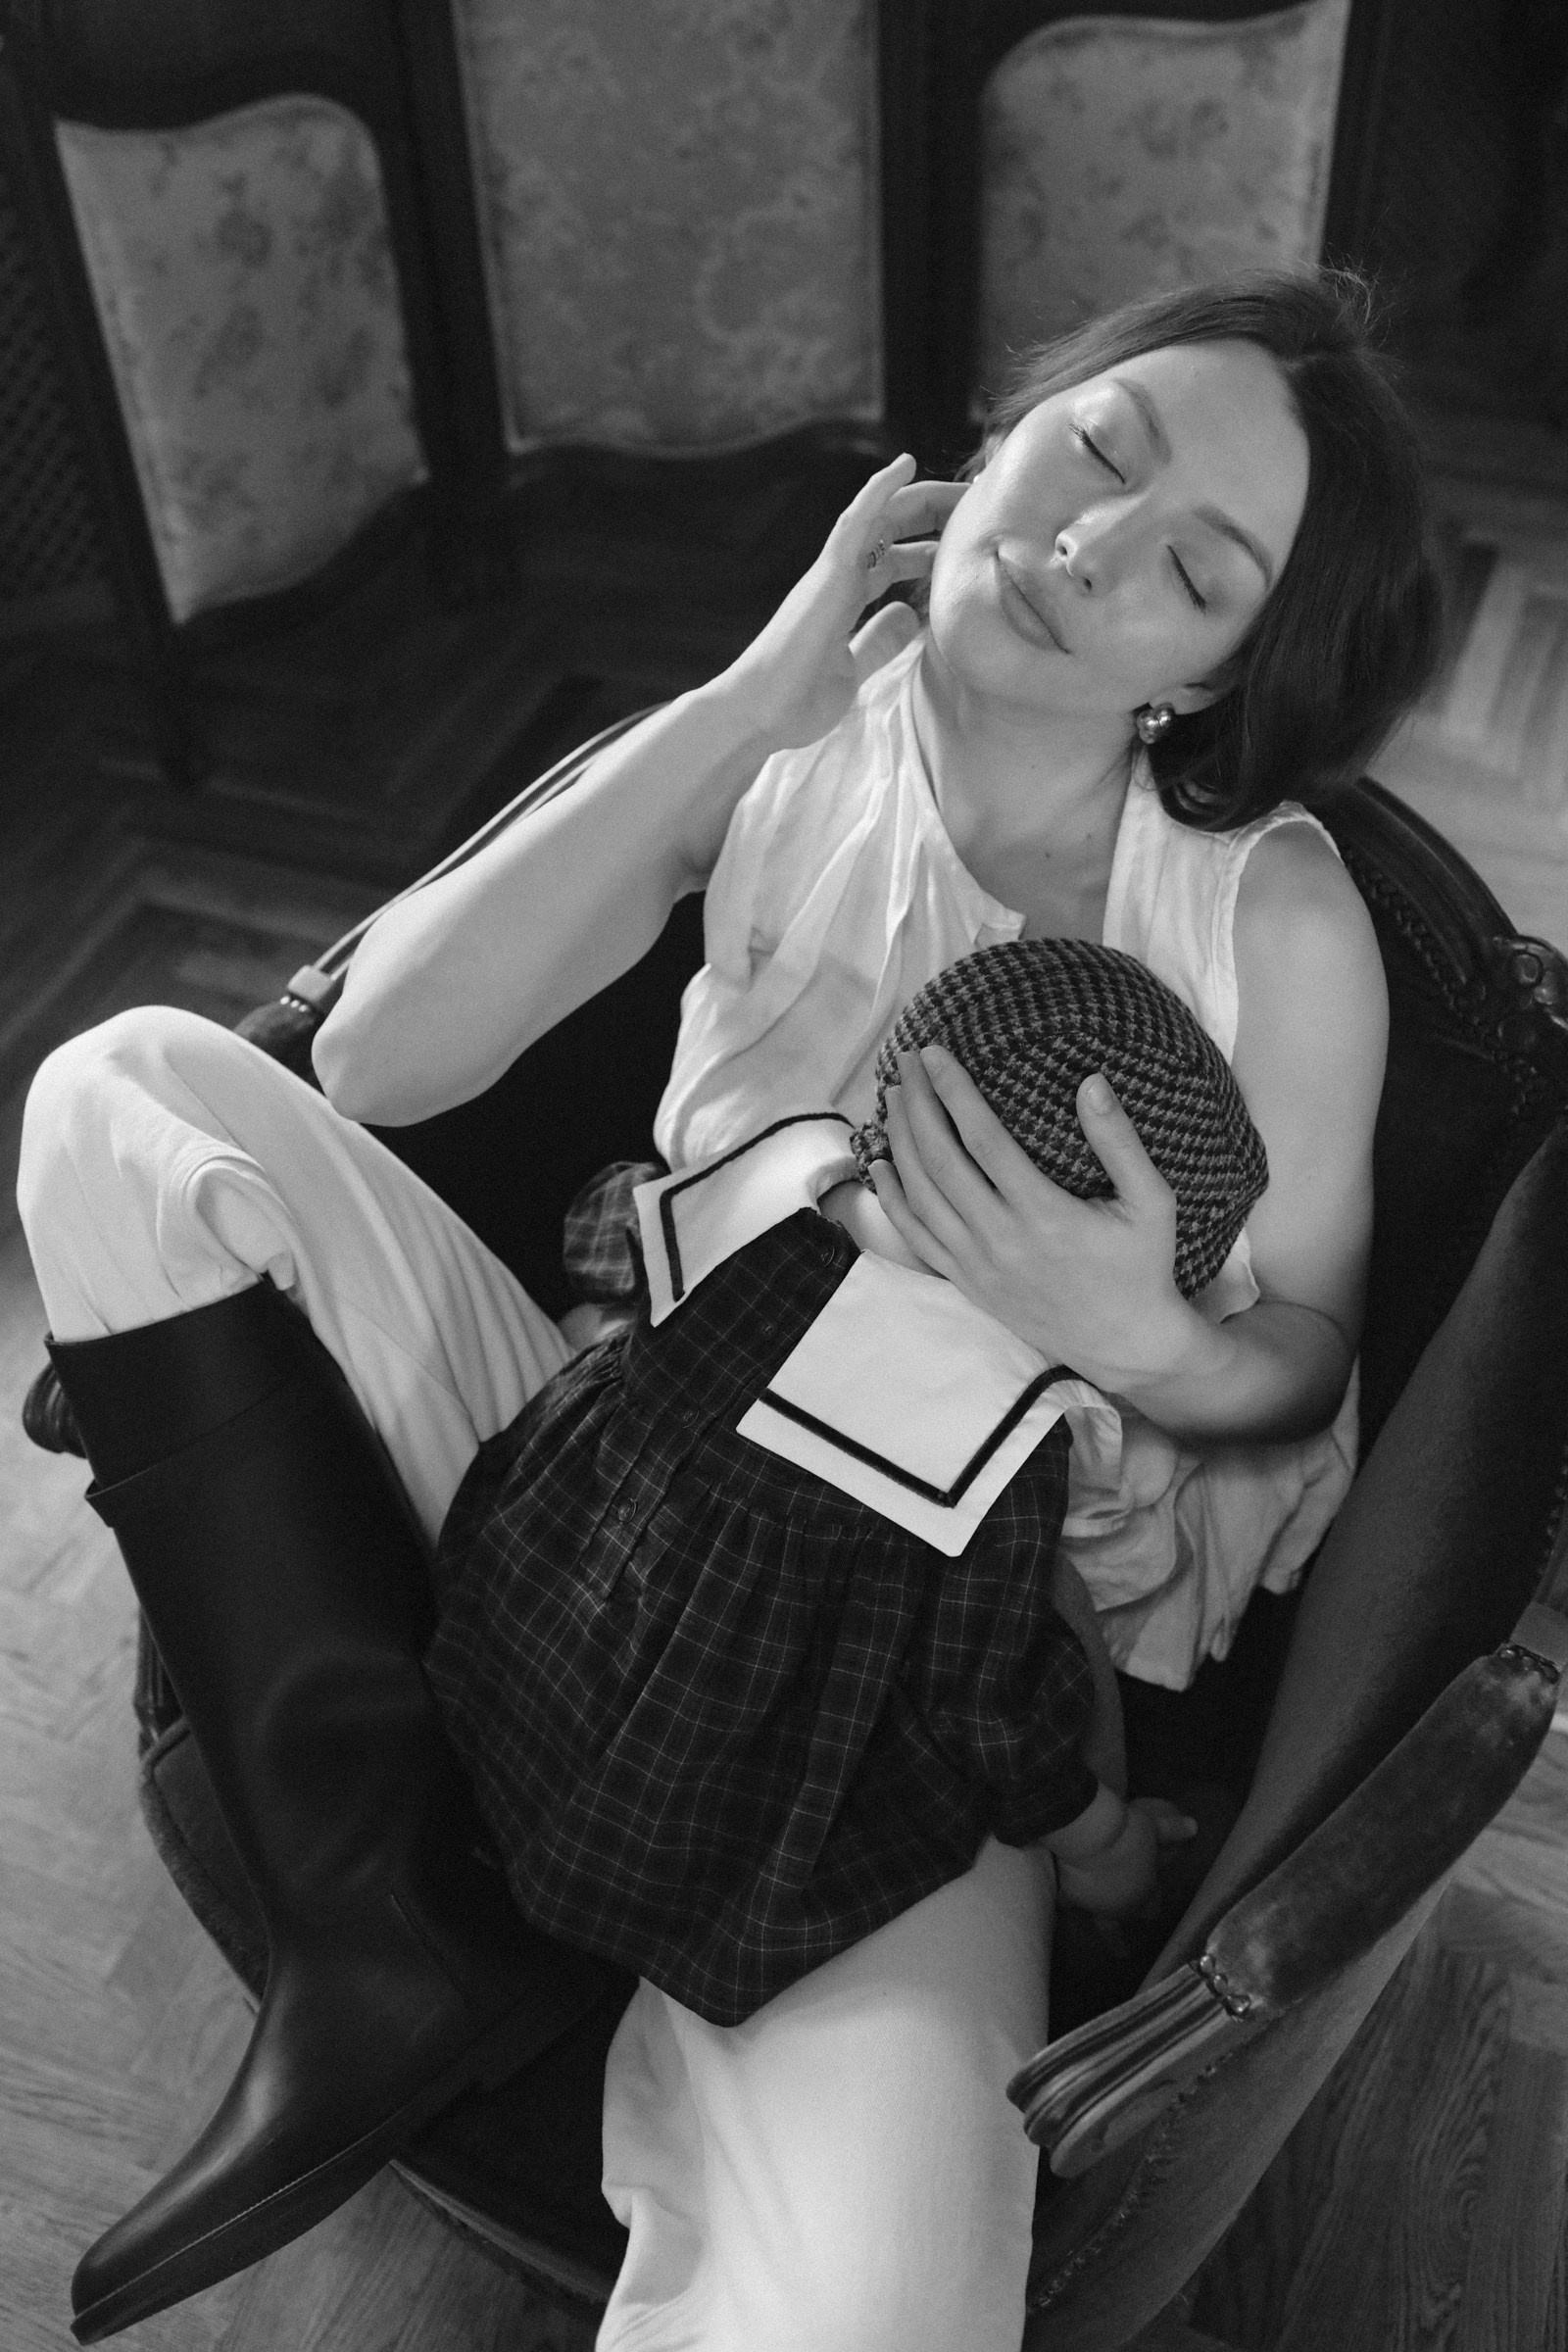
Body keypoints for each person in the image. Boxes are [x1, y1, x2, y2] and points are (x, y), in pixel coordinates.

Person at [18, 266, 1441, 2351]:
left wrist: (1134, 1332)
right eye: (1096, 450)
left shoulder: (1271, 919)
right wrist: (751, 704)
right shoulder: (798, 733)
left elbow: (1309, 1362)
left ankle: (657, 1965)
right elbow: (380, 1064)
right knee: (121, 1097)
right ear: (1004, 433)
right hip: (589, 1468)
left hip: (914, 1660)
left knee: (872, 2307)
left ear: (1214, 676)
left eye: (1191, 571)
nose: (1087, 545)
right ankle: (378, 1935)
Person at [425, 936, 1267, 2032]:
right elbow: (987, 1707)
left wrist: (623, 1344)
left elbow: (611, 1227)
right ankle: (1097, 1917)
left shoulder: (771, 1189)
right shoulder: (990, 1434)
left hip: (523, 1662)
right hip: (693, 1833)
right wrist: (1099, 1835)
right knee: (1053, 1639)